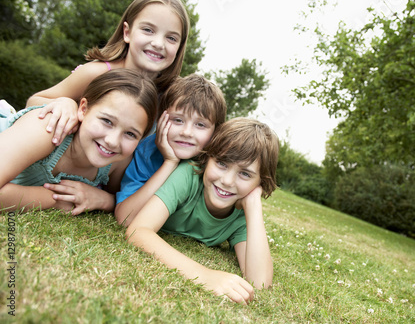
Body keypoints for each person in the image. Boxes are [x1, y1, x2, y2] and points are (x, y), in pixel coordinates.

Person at [125, 118, 279, 304]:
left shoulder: (242, 211)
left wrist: (254, 205)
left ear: (259, 183)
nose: (227, 181)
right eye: (222, 163)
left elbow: (260, 282)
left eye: (245, 174)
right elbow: (137, 231)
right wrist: (204, 276)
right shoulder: (187, 175)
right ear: (207, 159)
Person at [26, 0, 189, 146]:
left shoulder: (170, 96)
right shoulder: (96, 73)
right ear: (127, 32)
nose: (158, 43)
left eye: (171, 38)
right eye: (148, 30)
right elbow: (34, 102)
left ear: (179, 47)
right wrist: (67, 104)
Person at [0, 69, 158, 215]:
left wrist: (105, 200)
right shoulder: (49, 128)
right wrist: (54, 199)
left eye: (130, 134)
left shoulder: (119, 161)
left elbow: (126, 206)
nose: (112, 141)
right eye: (107, 121)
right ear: (83, 109)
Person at [115, 73, 227, 226]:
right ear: (161, 119)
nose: (186, 132)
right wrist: (170, 162)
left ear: (215, 132)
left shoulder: (216, 163)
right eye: (178, 120)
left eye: (200, 124)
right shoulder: (146, 152)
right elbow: (125, 218)